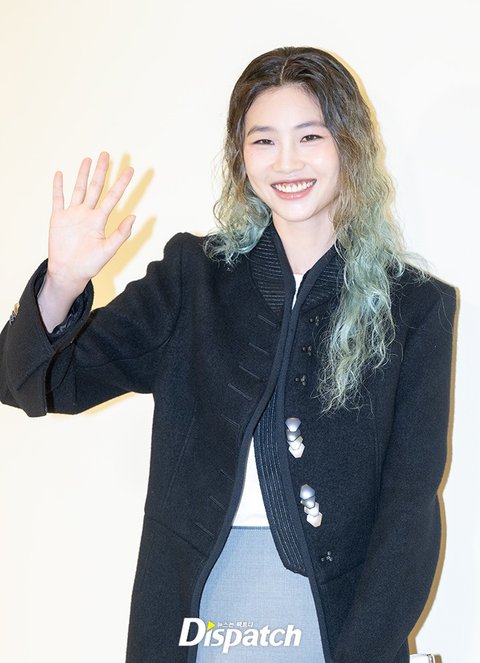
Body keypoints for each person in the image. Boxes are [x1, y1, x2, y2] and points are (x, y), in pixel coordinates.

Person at [0, 46, 457, 663]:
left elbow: (409, 509)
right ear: (240, 158)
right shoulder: (193, 276)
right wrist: (61, 283)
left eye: (310, 136)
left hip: (340, 616)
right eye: (263, 141)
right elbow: (35, 383)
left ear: (349, 145)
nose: (287, 161)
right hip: (196, 607)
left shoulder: (417, 306)